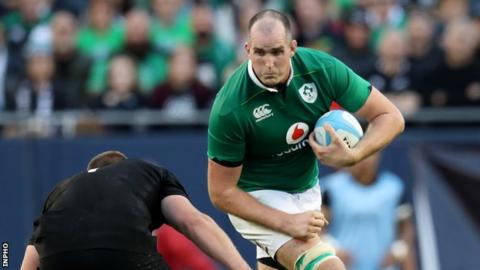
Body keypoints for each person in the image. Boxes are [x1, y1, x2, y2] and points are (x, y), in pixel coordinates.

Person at [207, 9, 404, 270]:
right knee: (329, 267)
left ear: (292, 48)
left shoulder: (322, 70)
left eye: (277, 52)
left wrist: (354, 155)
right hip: (255, 196)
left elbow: (390, 116)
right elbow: (221, 192)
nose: (268, 63)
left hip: (306, 189)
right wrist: (284, 222)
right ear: (247, 50)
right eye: (260, 53)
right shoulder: (230, 107)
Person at [20, 150, 250, 270]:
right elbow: (194, 222)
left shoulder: (60, 191)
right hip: (126, 253)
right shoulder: (147, 171)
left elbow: (31, 256)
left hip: (59, 259)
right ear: (125, 167)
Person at [320, 152, 416, 270]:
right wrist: (332, 248)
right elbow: (318, 229)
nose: (364, 160)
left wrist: (399, 249)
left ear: (378, 155)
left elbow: (406, 227)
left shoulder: (394, 187)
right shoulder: (331, 187)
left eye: (369, 154)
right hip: (343, 266)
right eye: (359, 153)